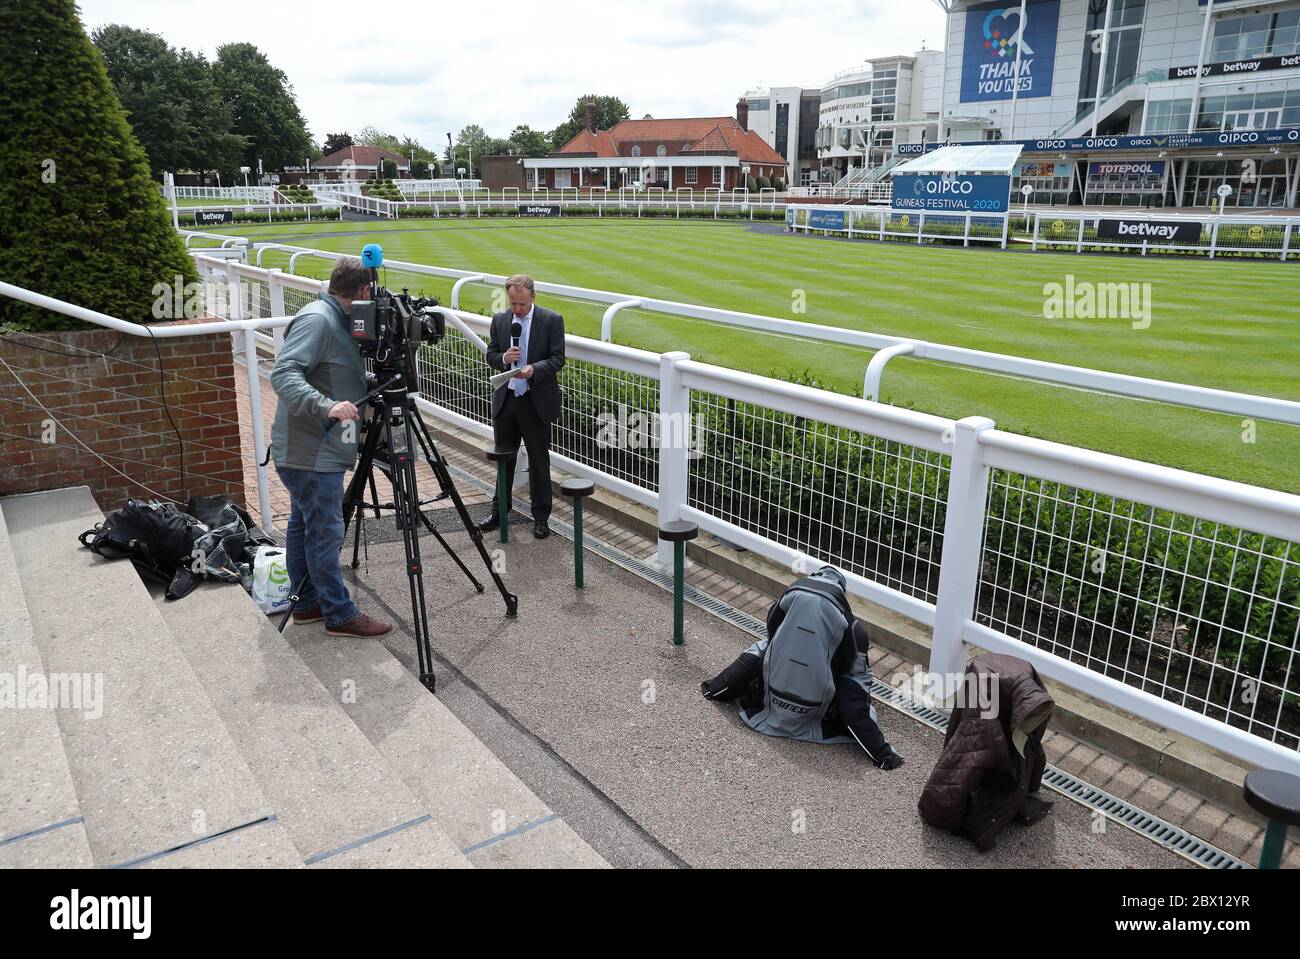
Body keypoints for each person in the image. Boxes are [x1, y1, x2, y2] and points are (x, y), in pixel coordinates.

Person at [268, 257, 392, 637]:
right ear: (363, 292)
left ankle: (306, 604)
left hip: (311, 449)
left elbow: (334, 370)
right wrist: (328, 406)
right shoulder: (319, 320)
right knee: (324, 530)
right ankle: (338, 614)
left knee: (305, 524)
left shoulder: (335, 318)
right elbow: (283, 372)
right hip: (311, 451)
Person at [701, 565, 903, 770]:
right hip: (813, 721)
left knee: (764, 647)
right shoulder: (853, 628)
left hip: (764, 714)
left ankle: (719, 690)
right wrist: (884, 754)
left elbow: (768, 643)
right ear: (841, 592)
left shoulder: (784, 603)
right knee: (854, 678)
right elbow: (853, 694)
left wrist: (713, 689)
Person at [476, 274, 566, 539]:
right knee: (505, 461)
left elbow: (558, 358)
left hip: (535, 400)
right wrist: (504, 357)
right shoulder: (500, 320)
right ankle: (499, 512)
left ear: (533, 298)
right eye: (513, 303)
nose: (517, 309)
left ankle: (541, 518)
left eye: (522, 304)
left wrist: (534, 369)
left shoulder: (551, 320)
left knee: (539, 461)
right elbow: (491, 353)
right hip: (507, 401)